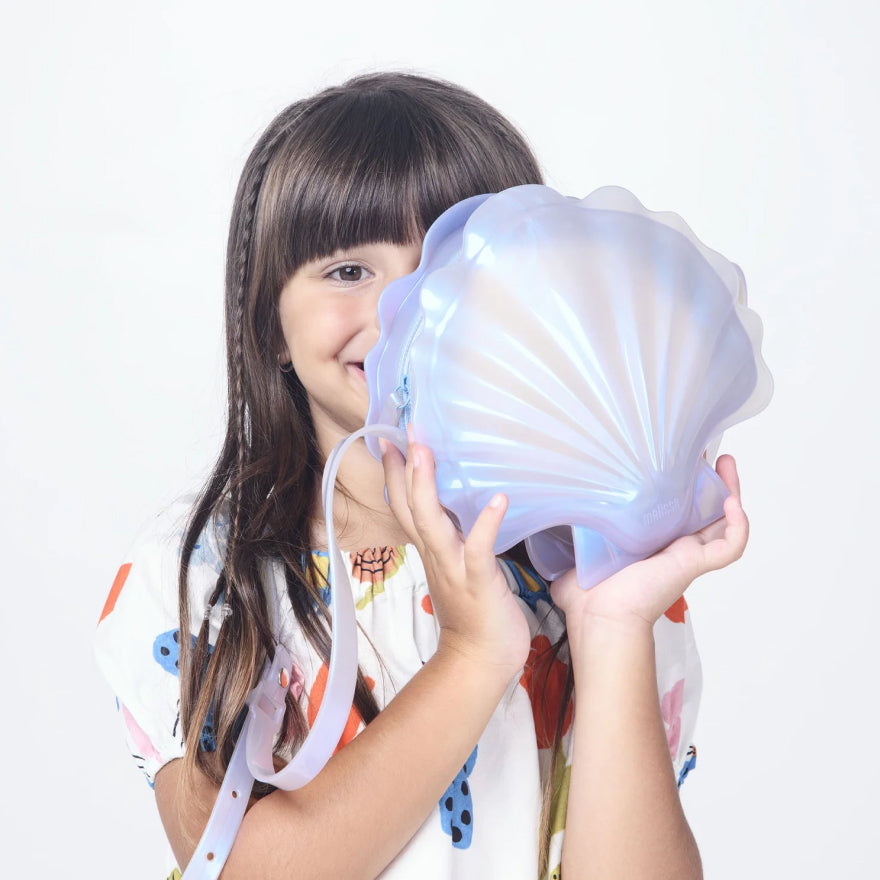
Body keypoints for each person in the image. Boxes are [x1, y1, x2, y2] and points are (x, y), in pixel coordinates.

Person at [95, 71, 748, 880]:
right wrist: (474, 655)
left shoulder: (589, 559)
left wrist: (611, 628)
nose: (406, 309)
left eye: (455, 260)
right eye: (347, 271)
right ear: (269, 324)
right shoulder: (197, 575)